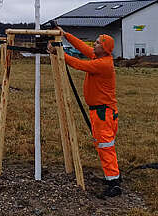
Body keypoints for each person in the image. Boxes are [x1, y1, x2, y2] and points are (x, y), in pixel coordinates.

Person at [48, 28, 121, 198]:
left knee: (105, 147)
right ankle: (113, 176)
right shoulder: (99, 56)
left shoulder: (103, 64)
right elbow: (82, 47)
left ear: (104, 48)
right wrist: (65, 35)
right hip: (101, 112)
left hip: (104, 113)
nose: (93, 44)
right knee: (105, 147)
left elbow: (80, 64)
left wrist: (58, 54)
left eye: (97, 43)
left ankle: (114, 184)